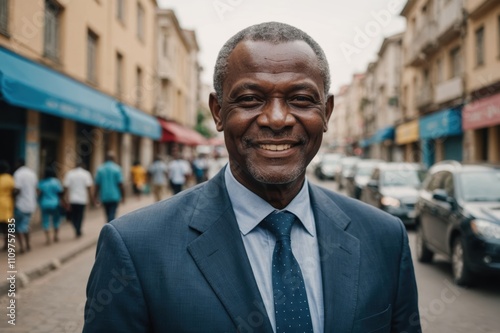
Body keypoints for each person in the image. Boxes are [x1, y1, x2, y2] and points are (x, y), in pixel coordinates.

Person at [84, 22, 421, 332]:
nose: (277, 119)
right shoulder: (136, 247)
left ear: (327, 112)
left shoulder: (385, 239)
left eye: (301, 99)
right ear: (218, 112)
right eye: (250, 99)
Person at [63, 161, 93, 238]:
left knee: (73, 216)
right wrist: (91, 199)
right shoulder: (86, 174)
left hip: (72, 199)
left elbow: (66, 187)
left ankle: (76, 228)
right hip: (82, 199)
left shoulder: (70, 174)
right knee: (80, 215)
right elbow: (89, 187)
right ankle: (78, 229)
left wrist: (65, 198)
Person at [13, 159, 38, 252]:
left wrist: (12, 197)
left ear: (18, 163)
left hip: (21, 204)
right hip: (31, 204)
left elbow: (17, 189)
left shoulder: (18, 174)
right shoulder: (32, 173)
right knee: (26, 226)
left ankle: (22, 247)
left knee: (18, 227)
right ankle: (27, 244)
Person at [94, 152, 124, 222]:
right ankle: (110, 224)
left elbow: (97, 184)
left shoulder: (100, 169)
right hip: (114, 195)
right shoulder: (117, 168)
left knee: (107, 213)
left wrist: (95, 196)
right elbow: (120, 183)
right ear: (113, 159)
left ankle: (109, 223)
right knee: (112, 213)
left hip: (104, 196)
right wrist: (123, 196)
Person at [38, 167, 65, 244]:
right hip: (55, 204)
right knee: (56, 220)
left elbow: (39, 194)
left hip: (44, 204)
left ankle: (48, 239)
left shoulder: (42, 183)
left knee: (45, 221)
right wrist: (64, 202)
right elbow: (60, 193)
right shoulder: (56, 182)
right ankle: (56, 236)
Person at [0, 161, 17, 251]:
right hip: (7, 203)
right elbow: (14, 190)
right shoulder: (9, 178)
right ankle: (9, 244)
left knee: (2, 226)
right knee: (9, 225)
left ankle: (5, 244)